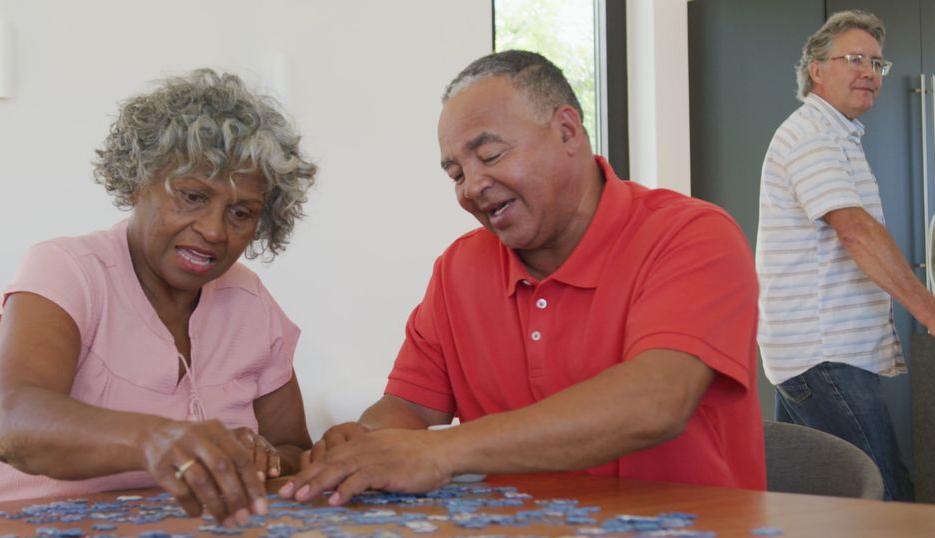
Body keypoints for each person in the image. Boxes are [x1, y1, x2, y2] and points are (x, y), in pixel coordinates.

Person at [279, 50, 764, 506]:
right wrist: (365, 440)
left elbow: (656, 401)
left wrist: (441, 452)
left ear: (568, 131)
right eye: (455, 173)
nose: (471, 187)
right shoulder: (458, 269)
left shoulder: (691, 236)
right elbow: (407, 408)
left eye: (489, 156)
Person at [0, 69, 318, 525]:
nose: (214, 230)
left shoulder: (250, 302)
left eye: (240, 213)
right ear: (139, 181)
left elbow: (295, 450)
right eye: (192, 196)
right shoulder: (68, 269)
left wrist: (257, 455)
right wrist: (159, 440)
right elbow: (15, 424)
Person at [756, 10, 928, 501]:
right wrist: (929, 310)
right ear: (816, 70)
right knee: (887, 501)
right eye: (854, 59)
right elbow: (855, 232)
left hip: (810, 355)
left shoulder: (837, 136)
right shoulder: (813, 136)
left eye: (876, 63)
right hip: (824, 354)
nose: (869, 72)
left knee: (817, 503)